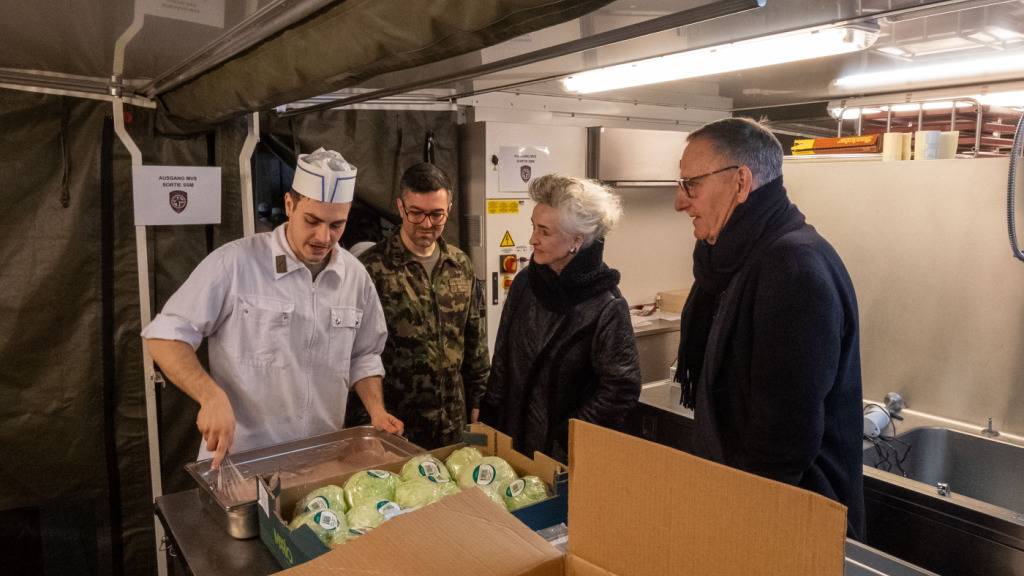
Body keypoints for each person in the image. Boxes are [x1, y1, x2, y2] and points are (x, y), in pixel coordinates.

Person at [143, 148, 403, 469]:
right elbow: (164, 337)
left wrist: (376, 411)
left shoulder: (354, 276)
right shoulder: (235, 263)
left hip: (320, 459)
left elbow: (364, 355)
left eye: (337, 225)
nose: (324, 237)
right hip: (242, 460)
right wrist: (209, 396)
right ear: (290, 206)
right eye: (312, 220)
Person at [673, 118, 864, 539]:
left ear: (741, 182)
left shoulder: (792, 266)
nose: (679, 201)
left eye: (691, 184)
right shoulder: (736, 261)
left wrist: (745, 525)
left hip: (786, 520)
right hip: (745, 500)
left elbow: (784, 441)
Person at [479, 174, 641, 463]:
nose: (532, 239)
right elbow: (502, 357)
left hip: (566, 458)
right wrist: (489, 415)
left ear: (576, 241)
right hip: (511, 442)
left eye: (544, 231)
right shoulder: (525, 284)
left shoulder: (606, 306)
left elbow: (621, 388)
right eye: (533, 227)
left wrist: (567, 437)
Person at [348, 163, 489, 449]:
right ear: (401, 208)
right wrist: (368, 419)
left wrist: (480, 401)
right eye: (417, 213)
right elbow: (354, 353)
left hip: (450, 421)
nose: (427, 224)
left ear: (449, 207)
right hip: (394, 424)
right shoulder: (372, 269)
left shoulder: (459, 264)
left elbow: (475, 341)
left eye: (437, 214)